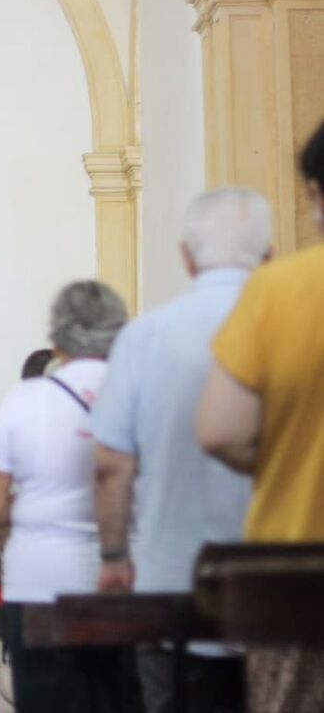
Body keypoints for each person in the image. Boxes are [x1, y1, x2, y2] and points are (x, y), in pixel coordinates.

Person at [94, 188, 271, 713]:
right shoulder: (298, 324)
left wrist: (114, 557)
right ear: (269, 256)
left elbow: (110, 467)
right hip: (284, 588)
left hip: (171, 583)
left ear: (187, 256)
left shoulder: (146, 336)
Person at [197, 120, 324, 713]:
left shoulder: (281, 289)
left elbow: (220, 430)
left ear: (316, 194)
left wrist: (288, 463)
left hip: (301, 567)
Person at [0, 280, 138, 712]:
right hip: (126, 584)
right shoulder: (141, 392)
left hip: (42, 583)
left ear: (57, 339)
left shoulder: (28, 399)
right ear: (119, 332)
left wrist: (20, 509)